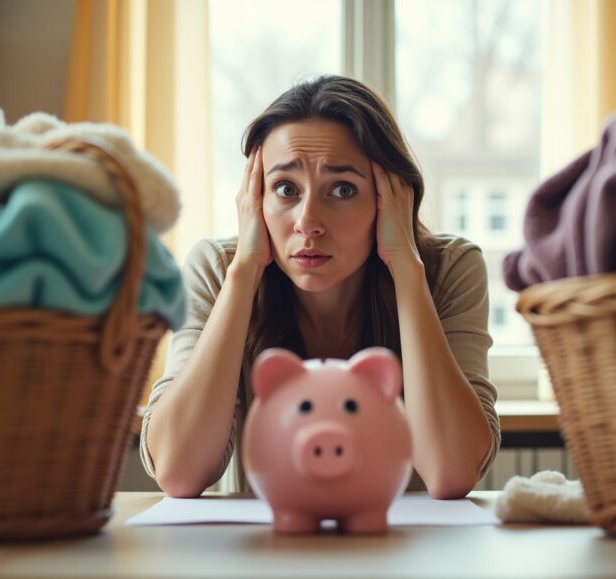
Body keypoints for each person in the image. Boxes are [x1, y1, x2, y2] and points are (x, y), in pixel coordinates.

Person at [140, 75, 500, 499]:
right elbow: (178, 470)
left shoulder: (448, 269)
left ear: (391, 200)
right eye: (285, 189)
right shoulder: (219, 270)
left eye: (343, 189)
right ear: (254, 199)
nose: (308, 222)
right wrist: (244, 273)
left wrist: (405, 266)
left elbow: (451, 471)